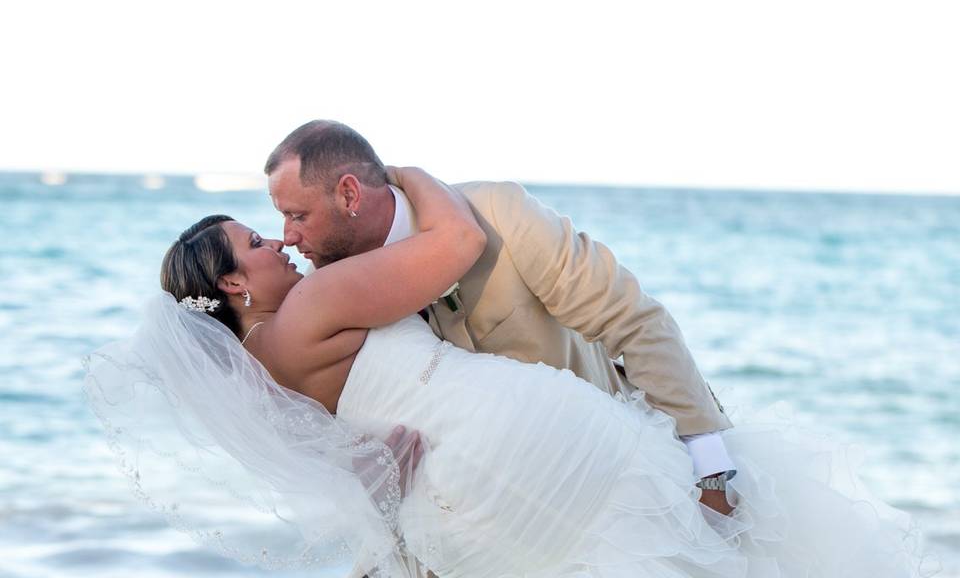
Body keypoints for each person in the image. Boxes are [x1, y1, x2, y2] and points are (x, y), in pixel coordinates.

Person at [85, 167, 929, 577]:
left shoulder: (258, 377)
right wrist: (410, 176)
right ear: (233, 283)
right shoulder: (309, 309)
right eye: (260, 241)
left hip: (469, 518)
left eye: (286, 222)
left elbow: (362, 459)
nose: (284, 242)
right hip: (545, 457)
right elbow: (453, 244)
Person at [264, 120, 736, 516]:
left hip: (606, 477)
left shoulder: (498, 214)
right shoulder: (332, 286)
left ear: (349, 194)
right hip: (479, 514)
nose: (286, 236)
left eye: (297, 215)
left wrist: (709, 470)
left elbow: (635, 322)